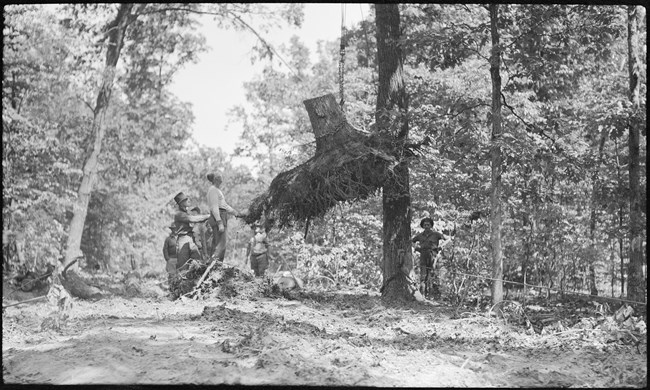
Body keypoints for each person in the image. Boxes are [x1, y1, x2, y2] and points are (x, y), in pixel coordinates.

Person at [206, 172, 245, 262]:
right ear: (215, 179)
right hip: (218, 216)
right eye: (219, 176)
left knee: (219, 243)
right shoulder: (213, 190)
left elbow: (225, 206)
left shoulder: (217, 190)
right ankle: (214, 265)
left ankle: (215, 264)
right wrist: (219, 222)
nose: (221, 178)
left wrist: (236, 213)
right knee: (220, 244)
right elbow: (215, 207)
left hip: (221, 215)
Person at [173, 192, 210, 272]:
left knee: (198, 260)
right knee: (183, 266)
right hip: (183, 240)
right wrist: (207, 216)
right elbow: (192, 219)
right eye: (185, 200)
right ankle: (182, 281)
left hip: (190, 239)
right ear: (181, 203)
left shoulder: (185, 213)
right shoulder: (179, 214)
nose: (187, 201)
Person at [412, 214, 445, 298]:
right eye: (425, 225)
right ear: (423, 226)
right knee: (423, 275)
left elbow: (447, 239)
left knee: (431, 274)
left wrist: (440, 248)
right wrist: (416, 248)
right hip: (423, 255)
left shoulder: (436, 234)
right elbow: (412, 241)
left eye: (428, 224)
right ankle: (422, 295)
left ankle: (431, 295)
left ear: (431, 225)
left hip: (433, 255)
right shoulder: (420, 235)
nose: (426, 226)